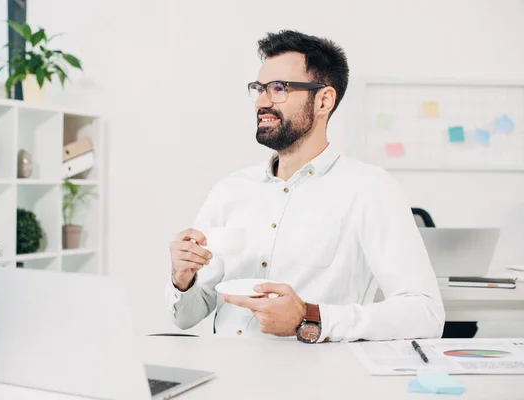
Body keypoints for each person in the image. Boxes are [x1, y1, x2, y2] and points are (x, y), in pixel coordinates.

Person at [166, 30, 445, 343]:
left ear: (324, 99)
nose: (261, 102)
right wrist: (182, 279)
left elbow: (425, 315)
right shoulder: (231, 190)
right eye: (258, 89)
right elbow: (187, 317)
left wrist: (309, 316)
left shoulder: (370, 189)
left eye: (278, 89)